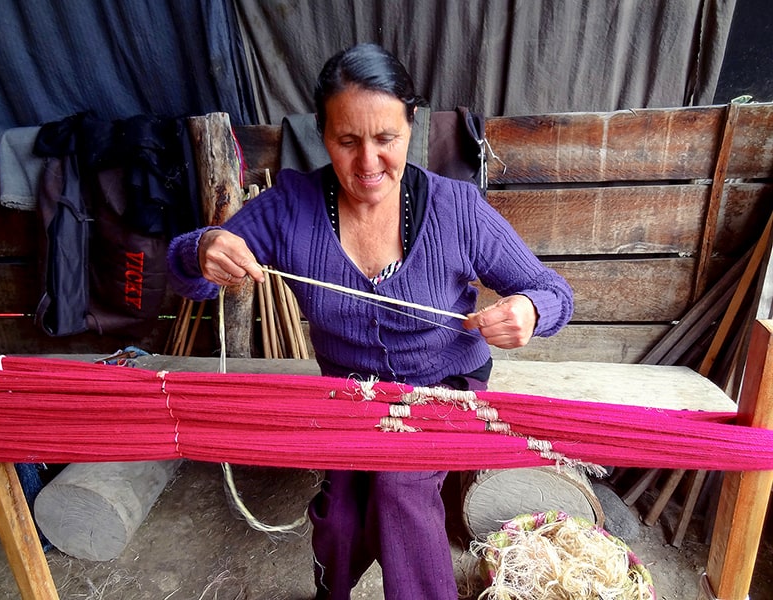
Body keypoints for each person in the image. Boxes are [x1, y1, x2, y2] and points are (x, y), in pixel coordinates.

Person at [167, 43, 573, 600]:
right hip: (350, 393)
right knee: (340, 519)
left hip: (445, 388)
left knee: (400, 484)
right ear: (322, 133)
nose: (367, 163)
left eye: (387, 139)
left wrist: (531, 310)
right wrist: (204, 249)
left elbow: (553, 292)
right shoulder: (293, 206)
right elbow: (189, 274)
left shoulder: (457, 209)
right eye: (347, 141)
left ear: (412, 125)